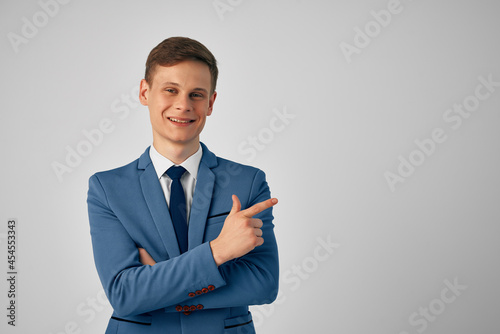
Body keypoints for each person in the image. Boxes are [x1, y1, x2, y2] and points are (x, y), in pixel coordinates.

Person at [87, 36, 279, 334]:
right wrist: (219, 251)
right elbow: (125, 294)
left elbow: (263, 283)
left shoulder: (248, 182)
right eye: (171, 90)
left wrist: (156, 287)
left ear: (211, 102)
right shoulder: (107, 189)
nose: (183, 105)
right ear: (144, 92)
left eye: (196, 94)